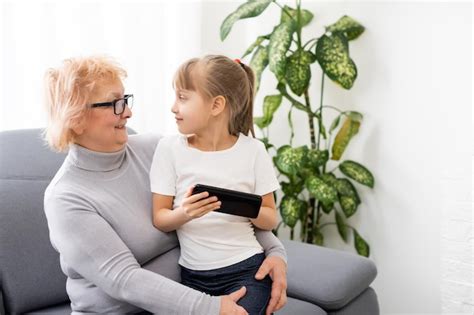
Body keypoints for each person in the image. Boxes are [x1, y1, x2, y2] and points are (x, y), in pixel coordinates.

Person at [43, 55, 287, 315]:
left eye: (125, 100)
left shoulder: (154, 149)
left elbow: (225, 205)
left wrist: (275, 253)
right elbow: (123, 279)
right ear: (76, 117)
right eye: (115, 103)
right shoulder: (66, 198)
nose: (128, 112)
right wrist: (211, 307)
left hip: (200, 293)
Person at [150, 55, 281, 315]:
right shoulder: (169, 149)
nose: (174, 107)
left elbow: (270, 218)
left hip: (246, 270)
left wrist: (241, 206)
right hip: (193, 279)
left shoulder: (253, 151)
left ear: (216, 105)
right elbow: (160, 218)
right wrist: (185, 212)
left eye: (183, 98)